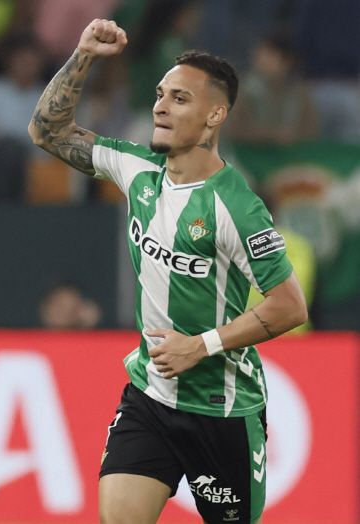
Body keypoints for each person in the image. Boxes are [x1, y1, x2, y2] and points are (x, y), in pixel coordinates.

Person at [28, 19, 307, 524]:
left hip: (222, 410)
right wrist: (83, 54)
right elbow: (47, 132)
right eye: (160, 95)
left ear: (214, 115)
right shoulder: (136, 169)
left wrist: (200, 346)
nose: (160, 106)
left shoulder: (237, 208)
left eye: (180, 99)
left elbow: (290, 306)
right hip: (150, 397)